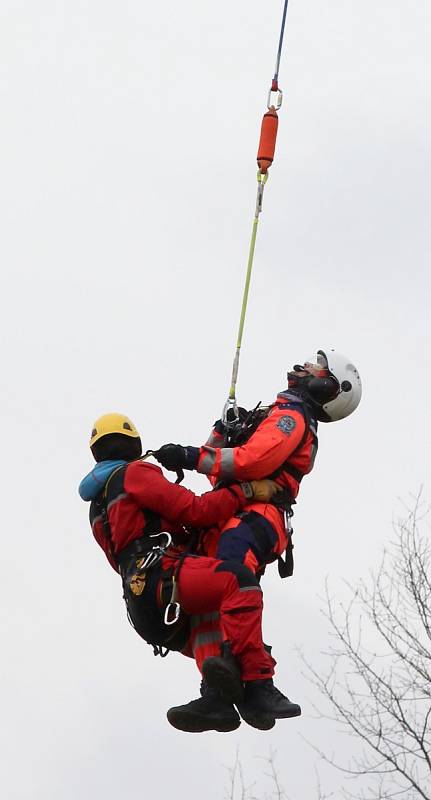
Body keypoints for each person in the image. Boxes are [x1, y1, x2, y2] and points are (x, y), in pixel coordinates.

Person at [79, 412, 301, 733]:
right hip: (163, 578)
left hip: (144, 608)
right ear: (134, 444)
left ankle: (217, 701)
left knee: (209, 621)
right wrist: (249, 492)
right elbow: (196, 510)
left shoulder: (96, 506)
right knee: (238, 582)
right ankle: (258, 682)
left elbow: (123, 554)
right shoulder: (135, 473)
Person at [154, 348, 362, 576]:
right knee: (196, 583)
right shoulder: (277, 414)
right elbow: (221, 473)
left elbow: (252, 461)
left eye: (317, 365)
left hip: (259, 513)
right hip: (231, 506)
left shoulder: (292, 417)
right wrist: (222, 431)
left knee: (231, 571)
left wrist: (189, 456)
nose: (304, 366)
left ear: (328, 387)